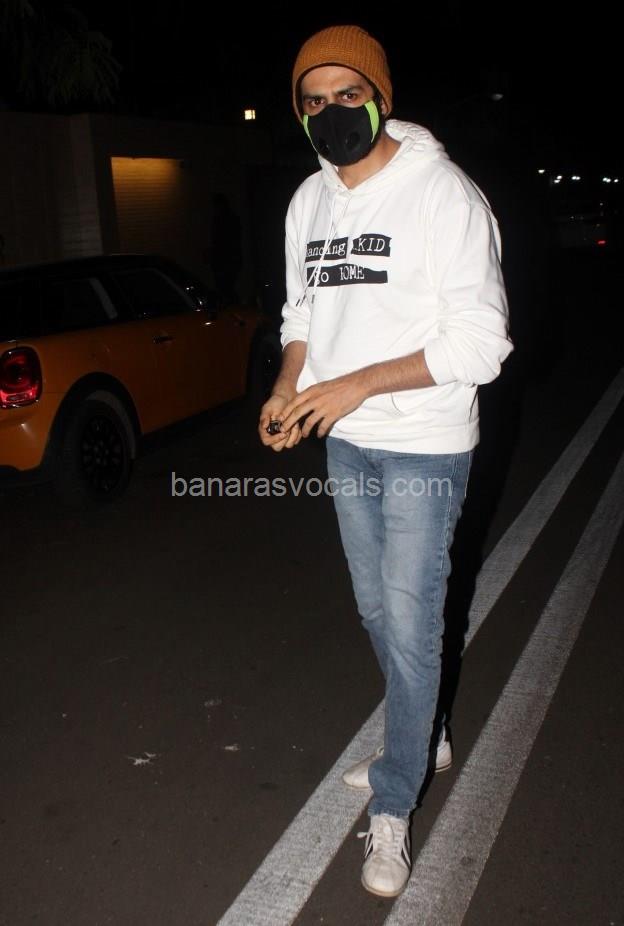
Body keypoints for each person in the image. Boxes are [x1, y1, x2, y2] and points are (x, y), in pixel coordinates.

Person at [258, 24, 513, 898]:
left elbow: (481, 344)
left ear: (382, 97)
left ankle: (397, 796)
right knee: (376, 607)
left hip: (424, 444)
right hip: (346, 439)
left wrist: (355, 385)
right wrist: (289, 387)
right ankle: (422, 730)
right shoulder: (309, 201)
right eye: (313, 101)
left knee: (410, 618)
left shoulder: (443, 194)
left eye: (348, 94)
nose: (331, 112)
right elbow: (302, 315)